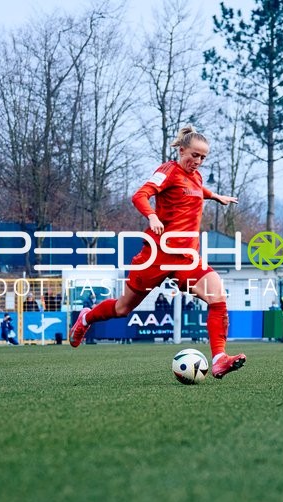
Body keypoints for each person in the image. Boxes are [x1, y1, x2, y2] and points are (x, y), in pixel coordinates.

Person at [68, 124, 246, 379]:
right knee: (122, 309)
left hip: (186, 257)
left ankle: (219, 358)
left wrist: (215, 196)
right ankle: (86, 318)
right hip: (157, 254)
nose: (197, 161)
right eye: (194, 155)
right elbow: (140, 195)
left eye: (203, 158)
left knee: (217, 296)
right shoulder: (168, 170)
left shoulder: (196, 177)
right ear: (181, 150)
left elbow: (195, 191)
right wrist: (152, 216)